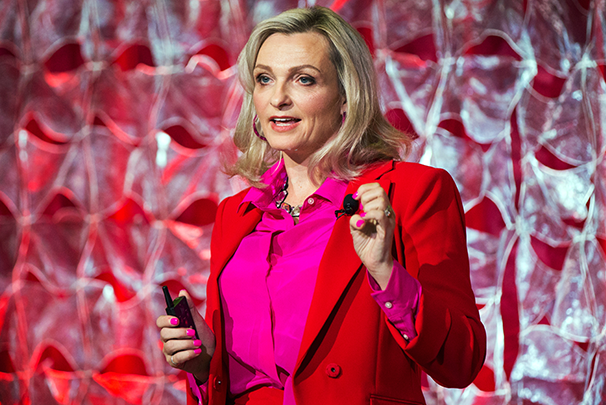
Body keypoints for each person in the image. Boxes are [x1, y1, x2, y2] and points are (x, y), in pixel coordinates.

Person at [157, 6, 486, 405]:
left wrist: (385, 271)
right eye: (264, 79)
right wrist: (206, 364)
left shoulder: (410, 192)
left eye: (303, 80)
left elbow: (462, 361)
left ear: (346, 98)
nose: (278, 98)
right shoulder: (236, 214)